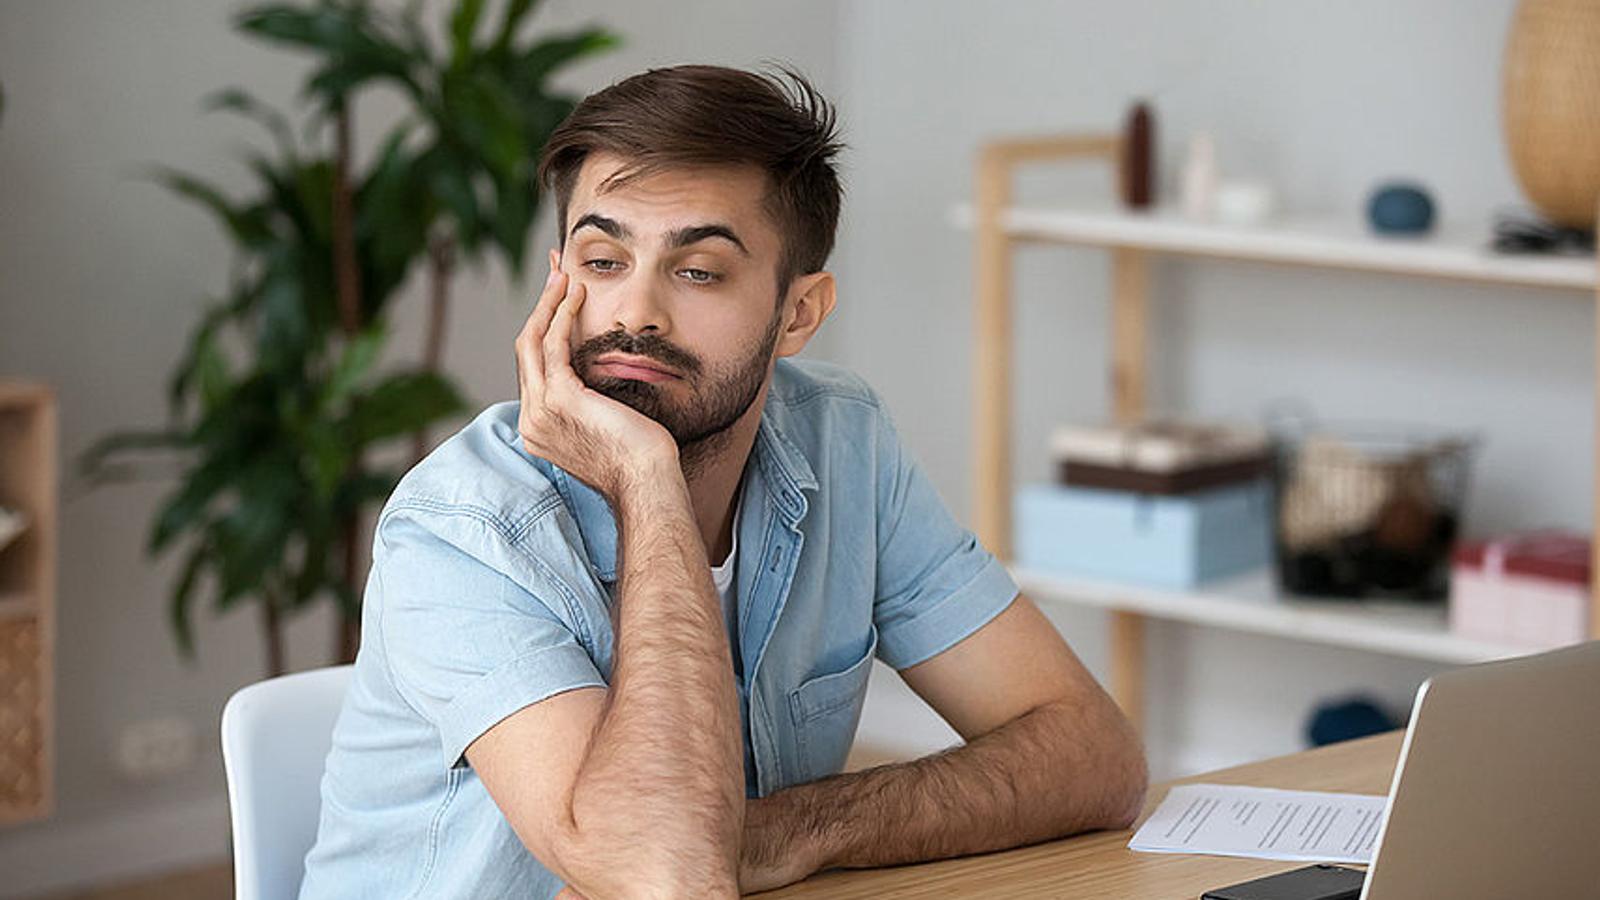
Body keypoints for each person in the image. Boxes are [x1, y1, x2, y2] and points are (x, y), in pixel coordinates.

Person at [298, 63, 1146, 900]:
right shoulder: (464, 525)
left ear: (798, 314)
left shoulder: (841, 440)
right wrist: (646, 478)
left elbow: (1095, 755)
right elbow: (661, 876)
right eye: (601, 260)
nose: (636, 313)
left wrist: (797, 827)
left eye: (698, 271)